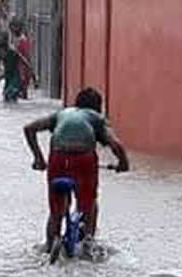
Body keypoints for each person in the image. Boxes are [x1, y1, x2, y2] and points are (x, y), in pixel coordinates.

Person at [22, 87, 130, 251]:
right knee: (89, 203)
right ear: (97, 107)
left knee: (56, 210)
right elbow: (116, 145)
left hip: (57, 158)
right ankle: (88, 242)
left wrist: (38, 158)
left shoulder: (62, 114)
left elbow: (29, 128)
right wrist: (123, 164)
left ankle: (49, 245)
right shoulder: (95, 118)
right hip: (84, 159)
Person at [12, 18, 33, 99]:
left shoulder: (23, 40)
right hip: (18, 64)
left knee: (23, 82)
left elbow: (25, 53)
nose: (13, 30)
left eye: (15, 28)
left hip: (22, 64)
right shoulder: (17, 39)